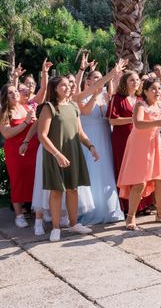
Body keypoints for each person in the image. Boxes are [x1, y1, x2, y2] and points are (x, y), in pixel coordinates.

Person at [117, 78, 161, 230]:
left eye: (159, 88)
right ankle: (130, 218)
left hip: (155, 143)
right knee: (140, 182)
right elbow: (137, 123)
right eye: (153, 89)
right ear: (145, 92)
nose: (157, 92)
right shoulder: (140, 105)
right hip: (139, 145)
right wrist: (158, 123)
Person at [37, 76, 97, 242]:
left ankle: (73, 223)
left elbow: (80, 132)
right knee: (56, 191)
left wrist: (91, 146)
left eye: (68, 84)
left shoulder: (73, 106)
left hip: (73, 152)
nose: (67, 87)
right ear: (54, 88)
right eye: (62, 85)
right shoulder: (49, 107)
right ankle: (56, 228)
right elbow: (42, 136)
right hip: (55, 154)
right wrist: (57, 154)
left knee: (73, 189)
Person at [78, 68, 124, 225]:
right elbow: (85, 112)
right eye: (96, 78)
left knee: (106, 170)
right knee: (93, 170)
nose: (100, 80)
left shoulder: (105, 97)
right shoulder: (82, 97)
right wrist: (95, 95)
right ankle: (91, 209)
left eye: (101, 78)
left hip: (105, 136)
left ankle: (110, 208)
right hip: (90, 137)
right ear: (89, 82)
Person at [108, 70, 154, 214]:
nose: (135, 82)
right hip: (122, 139)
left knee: (141, 171)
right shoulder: (117, 98)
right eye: (131, 80)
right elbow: (112, 120)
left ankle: (143, 204)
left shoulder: (142, 98)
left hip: (141, 139)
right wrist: (134, 119)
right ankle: (127, 206)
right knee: (126, 171)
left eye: (137, 80)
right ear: (124, 82)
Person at [0, 85, 38, 227]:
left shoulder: (26, 107)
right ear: (5, 97)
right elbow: (7, 133)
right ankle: (19, 215)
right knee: (18, 181)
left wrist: (33, 121)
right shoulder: (4, 113)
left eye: (15, 91)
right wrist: (27, 122)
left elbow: (36, 124)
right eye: (10, 93)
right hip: (15, 152)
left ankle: (38, 210)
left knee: (35, 179)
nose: (14, 94)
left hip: (32, 149)